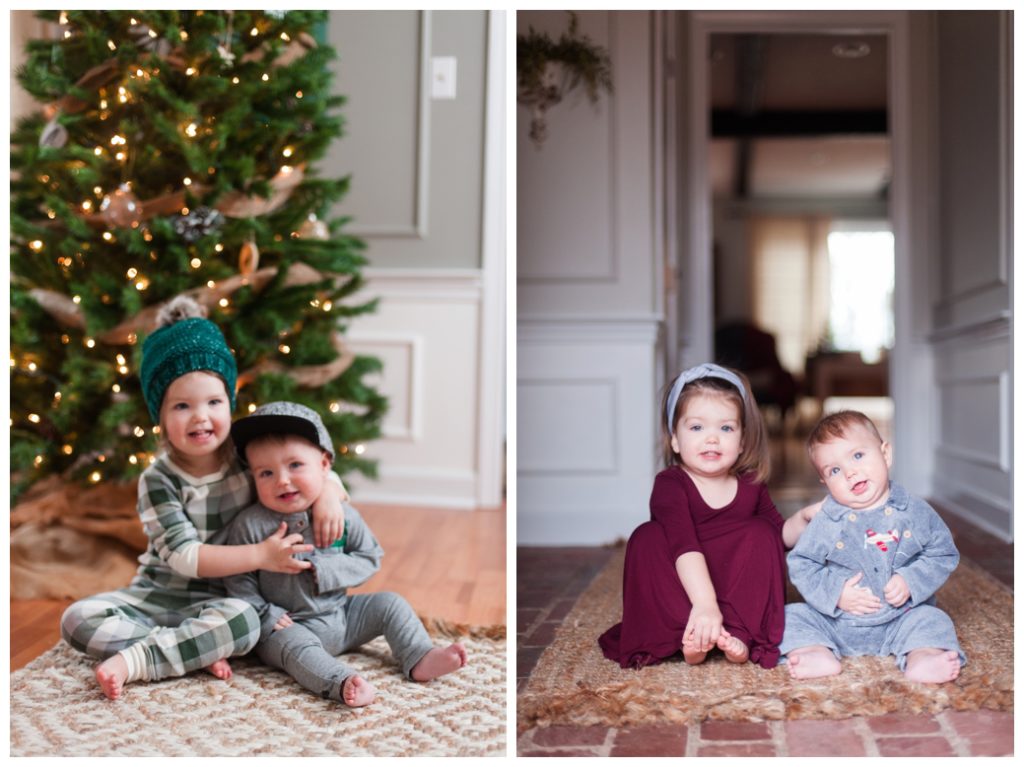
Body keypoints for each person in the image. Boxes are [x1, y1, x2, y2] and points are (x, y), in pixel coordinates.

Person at [60, 297, 346, 700]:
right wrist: (261, 556)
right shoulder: (158, 478)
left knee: (247, 621)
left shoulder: (248, 458)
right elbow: (185, 557)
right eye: (182, 405)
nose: (200, 416)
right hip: (159, 592)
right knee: (77, 619)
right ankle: (190, 649)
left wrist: (331, 490)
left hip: (227, 598)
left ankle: (145, 659)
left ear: (230, 402)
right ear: (159, 416)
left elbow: (304, 472)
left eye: (214, 402)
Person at [223, 401, 468, 707]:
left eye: (295, 465)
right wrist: (265, 615)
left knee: (390, 603)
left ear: (324, 466)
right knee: (293, 646)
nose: (282, 480)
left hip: (342, 614)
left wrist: (323, 568)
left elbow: (370, 556)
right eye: (266, 473)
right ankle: (341, 682)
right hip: (290, 624)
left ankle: (418, 655)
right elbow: (238, 580)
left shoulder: (342, 516)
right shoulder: (251, 525)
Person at [599, 363, 821, 670]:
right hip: (687, 585)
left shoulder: (750, 482)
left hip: (729, 591)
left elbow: (778, 536)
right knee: (646, 538)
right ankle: (687, 633)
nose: (712, 439)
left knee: (760, 532)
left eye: (726, 428)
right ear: (675, 440)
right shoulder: (671, 484)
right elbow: (683, 545)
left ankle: (739, 632)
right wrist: (704, 605)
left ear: (742, 441)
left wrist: (806, 518)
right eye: (696, 428)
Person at [780, 410, 965, 684]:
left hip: (901, 618)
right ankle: (815, 650)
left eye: (857, 456)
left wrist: (911, 581)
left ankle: (923, 655)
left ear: (885, 454)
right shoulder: (828, 519)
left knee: (933, 619)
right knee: (789, 616)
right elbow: (802, 563)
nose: (850, 472)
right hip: (836, 622)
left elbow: (942, 551)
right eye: (834, 470)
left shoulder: (913, 511)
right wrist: (836, 592)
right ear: (825, 482)